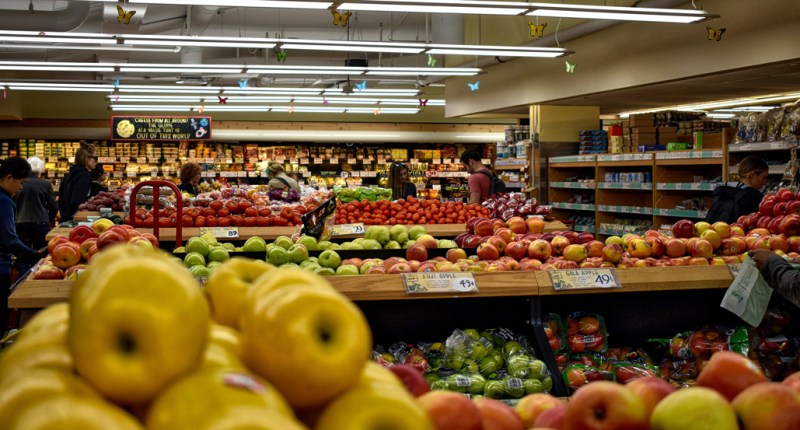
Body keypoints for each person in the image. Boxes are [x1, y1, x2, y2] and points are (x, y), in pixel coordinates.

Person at [1, 157, 44, 332]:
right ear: (9, 178)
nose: (20, 188)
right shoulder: (4, 202)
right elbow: (9, 239)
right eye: (20, 182)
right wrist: (34, 255)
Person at [706, 155, 769, 223]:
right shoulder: (755, 197)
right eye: (764, 177)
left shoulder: (723, 190)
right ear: (752, 175)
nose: (765, 182)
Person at [15, 156, 57, 254]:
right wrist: (49, 219)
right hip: (41, 222)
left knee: (23, 253)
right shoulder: (45, 184)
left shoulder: (19, 183)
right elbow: (53, 206)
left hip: (21, 221)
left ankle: (24, 269)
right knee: (41, 253)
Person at [58, 141, 97, 222]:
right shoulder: (84, 175)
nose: (96, 162)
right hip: (75, 220)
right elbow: (79, 200)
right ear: (87, 158)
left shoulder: (71, 173)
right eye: (95, 158)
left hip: (65, 218)